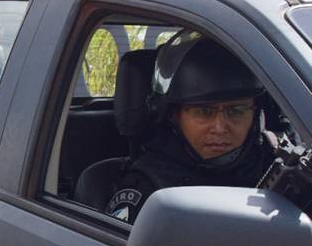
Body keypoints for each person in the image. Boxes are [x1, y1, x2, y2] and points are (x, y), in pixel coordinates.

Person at [105, 30, 270, 223]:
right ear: (175, 116)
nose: (219, 127)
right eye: (204, 112)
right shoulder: (150, 189)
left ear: (255, 114)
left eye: (236, 112)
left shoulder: (273, 170)